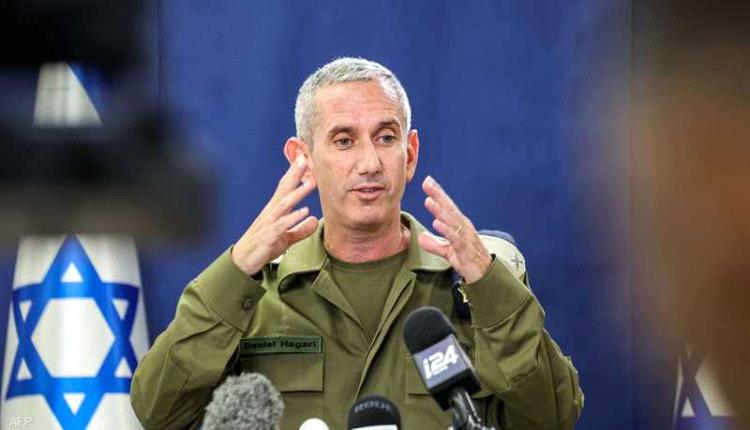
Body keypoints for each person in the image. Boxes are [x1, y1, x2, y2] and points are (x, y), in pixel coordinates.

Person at [131, 57, 583, 429]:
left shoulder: (473, 282)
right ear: (303, 159)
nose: (369, 162)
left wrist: (489, 286)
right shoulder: (253, 291)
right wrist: (234, 272)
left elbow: (553, 417)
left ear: (410, 154)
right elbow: (159, 411)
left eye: (385, 138)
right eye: (344, 140)